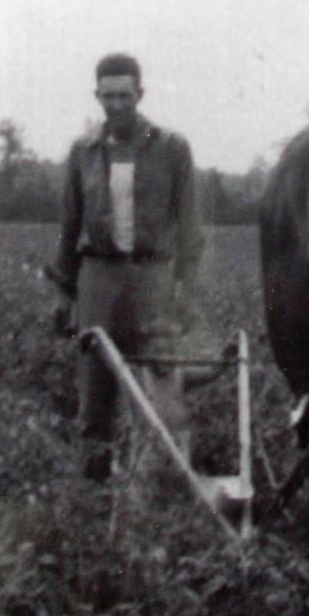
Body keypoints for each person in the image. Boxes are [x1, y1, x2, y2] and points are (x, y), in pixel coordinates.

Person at [51, 52, 205, 483]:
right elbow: (68, 224)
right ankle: (94, 499)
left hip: (152, 277)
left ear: (140, 94)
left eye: (125, 95)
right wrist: (65, 293)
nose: (116, 104)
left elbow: (190, 227)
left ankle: (158, 497)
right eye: (108, 95)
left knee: (159, 388)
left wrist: (185, 290)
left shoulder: (172, 148)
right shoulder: (83, 151)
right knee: (95, 392)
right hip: (97, 277)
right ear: (97, 96)